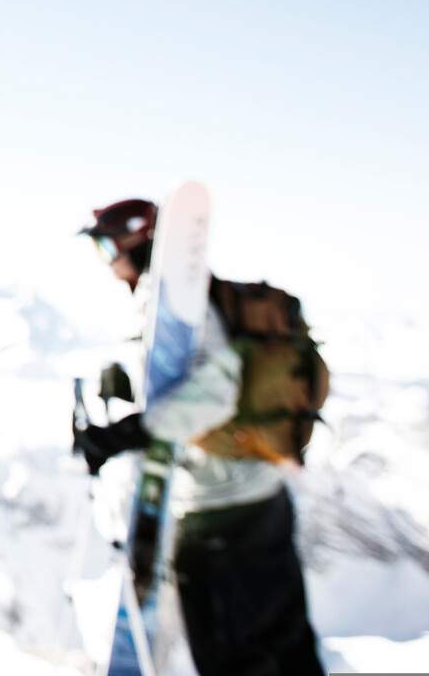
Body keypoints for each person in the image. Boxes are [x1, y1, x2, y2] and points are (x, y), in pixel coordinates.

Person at [72, 197, 325, 676]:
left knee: (238, 659)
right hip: (258, 499)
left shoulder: (174, 301)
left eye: (107, 247)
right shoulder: (195, 297)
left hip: (220, 519)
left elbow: (217, 391)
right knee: (286, 650)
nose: (106, 264)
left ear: (135, 240)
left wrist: (132, 432)